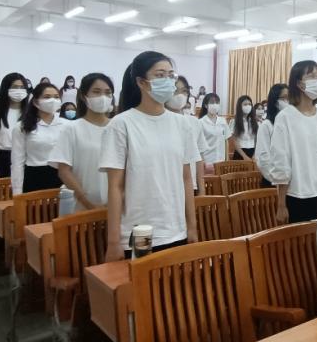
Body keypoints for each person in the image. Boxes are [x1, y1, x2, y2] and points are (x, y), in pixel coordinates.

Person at [100, 51, 197, 260]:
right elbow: (115, 187)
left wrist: (192, 226)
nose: (168, 81)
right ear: (141, 82)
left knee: (173, 281)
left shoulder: (182, 125)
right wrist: (113, 242)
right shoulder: (121, 124)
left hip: (176, 229)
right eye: (160, 75)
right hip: (139, 231)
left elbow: (187, 179)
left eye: (171, 75)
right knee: (141, 280)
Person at [271, 61, 317, 223]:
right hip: (298, 194)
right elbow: (281, 162)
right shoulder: (285, 117)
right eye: (312, 76)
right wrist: (281, 204)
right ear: (299, 84)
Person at [49, 73, 113, 210]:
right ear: (84, 96)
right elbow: (64, 171)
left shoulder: (118, 127)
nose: (103, 97)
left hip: (116, 204)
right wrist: (88, 203)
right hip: (82, 205)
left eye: (108, 93)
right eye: (96, 92)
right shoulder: (71, 128)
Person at [11, 82, 66, 193]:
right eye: (47, 97)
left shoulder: (67, 125)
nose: (53, 100)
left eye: (56, 97)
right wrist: (17, 192)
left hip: (62, 177)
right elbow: (17, 162)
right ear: (36, 102)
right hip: (34, 177)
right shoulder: (22, 127)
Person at [0, 74, 29, 180]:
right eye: (15, 87)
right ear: (6, 88)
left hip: (27, 158)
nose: (19, 90)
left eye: (22, 87)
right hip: (3, 159)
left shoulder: (31, 114)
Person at [167, 75, 207, 194]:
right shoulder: (158, 121)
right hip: (167, 187)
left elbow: (199, 159)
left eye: (184, 91)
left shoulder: (194, 122)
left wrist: (202, 191)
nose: (179, 95)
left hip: (190, 185)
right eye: (175, 90)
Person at [255, 84, 287, 188]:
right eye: (285, 98)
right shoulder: (266, 125)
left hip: (290, 181)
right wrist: (277, 180)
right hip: (273, 181)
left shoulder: (290, 124)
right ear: (275, 101)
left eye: (290, 98)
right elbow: (263, 159)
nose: (289, 101)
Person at [198, 92, 229, 168]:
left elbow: (226, 141)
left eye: (217, 103)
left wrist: (227, 160)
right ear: (206, 105)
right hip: (208, 162)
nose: (215, 105)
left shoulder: (223, 121)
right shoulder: (200, 122)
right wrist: (203, 162)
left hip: (221, 161)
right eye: (212, 102)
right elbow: (199, 145)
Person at [228, 94, 257, 160]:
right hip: (240, 152)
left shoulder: (254, 121)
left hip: (253, 152)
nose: (248, 106)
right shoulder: (234, 121)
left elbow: (256, 139)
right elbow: (234, 141)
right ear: (240, 106)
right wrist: (244, 156)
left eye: (249, 104)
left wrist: (255, 154)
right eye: (245, 104)